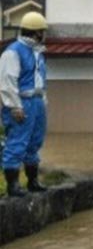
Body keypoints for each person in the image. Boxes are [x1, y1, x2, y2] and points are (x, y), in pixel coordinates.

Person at [0, 12, 48, 197]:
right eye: (42, 31)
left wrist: (43, 102)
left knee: (34, 142)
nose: (44, 35)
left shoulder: (37, 53)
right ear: (36, 33)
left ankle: (32, 181)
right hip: (21, 102)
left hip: (37, 101)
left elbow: (40, 81)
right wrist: (14, 106)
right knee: (17, 141)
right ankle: (12, 185)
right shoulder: (13, 51)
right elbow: (7, 81)